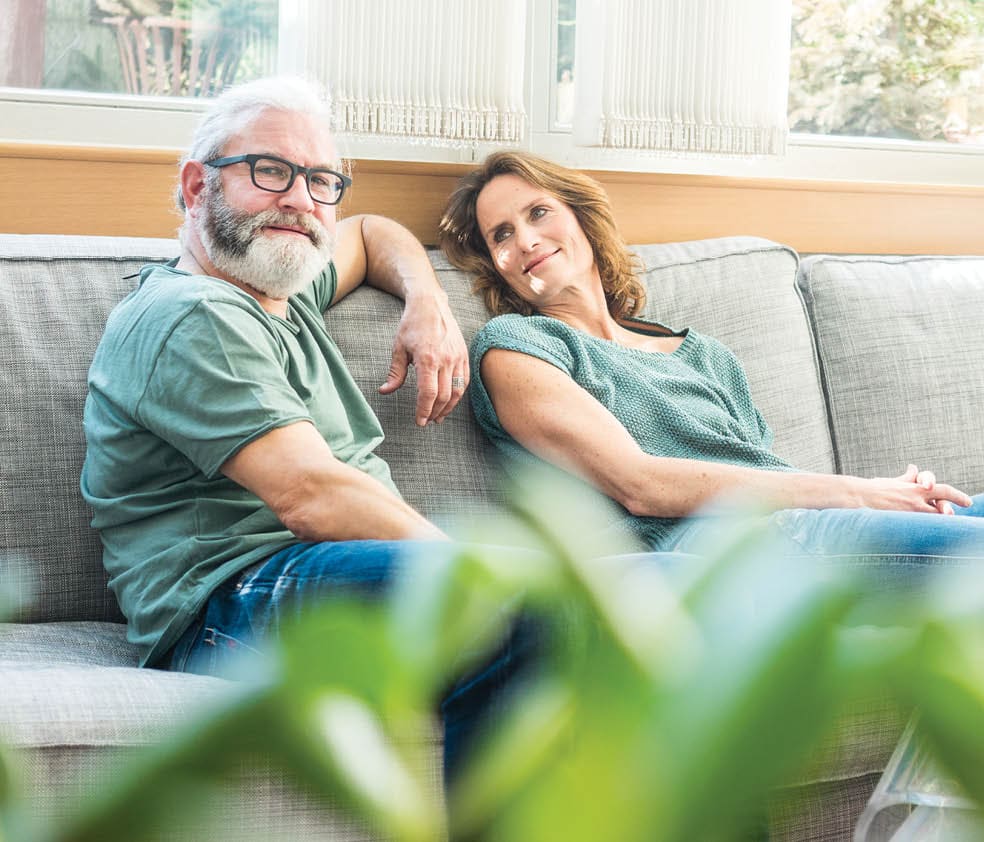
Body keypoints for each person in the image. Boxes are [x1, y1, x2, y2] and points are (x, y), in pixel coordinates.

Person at [79, 77, 511, 778]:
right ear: (197, 187)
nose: (301, 200)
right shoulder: (195, 313)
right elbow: (310, 495)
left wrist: (427, 298)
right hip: (233, 604)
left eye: (320, 180)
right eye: (270, 170)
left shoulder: (276, 281)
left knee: (666, 585)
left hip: (320, 573)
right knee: (524, 605)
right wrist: (476, 572)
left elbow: (371, 233)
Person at [438, 150, 984, 558]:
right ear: (496, 264)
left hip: (793, 533)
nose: (526, 241)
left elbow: (765, 476)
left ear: (581, 218)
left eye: (538, 213)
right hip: (708, 557)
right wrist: (860, 494)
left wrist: (887, 498)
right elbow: (641, 486)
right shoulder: (516, 347)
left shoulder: (708, 356)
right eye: (501, 235)